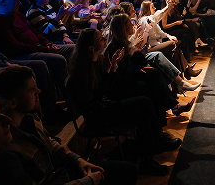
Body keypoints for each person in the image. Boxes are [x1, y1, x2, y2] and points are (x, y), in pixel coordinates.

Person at [0, 65, 139, 185]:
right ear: (12, 103)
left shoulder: (30, 117)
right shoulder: (7, 151)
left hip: (62, 172)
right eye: (32, 90)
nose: (39, 91)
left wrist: (78, 161)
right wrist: (88, 181)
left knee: (128, 170)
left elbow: (50, 143)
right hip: (58, 179)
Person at [66, 28, 181, 176]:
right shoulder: (81, 70)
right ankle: (152, 151)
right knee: (143, 103)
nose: (104, 39)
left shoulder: (98, 60)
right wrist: (108, 69)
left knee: (144, 103)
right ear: (91, 47)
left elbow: (109, 88)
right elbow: (96, 97)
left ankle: (150, 153)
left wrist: (112, 66)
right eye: (100, 39)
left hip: (105, 106)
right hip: (97, 116)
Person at [0, 0, 75, 92]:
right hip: (22, 54)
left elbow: (34, 31)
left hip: (38, 47)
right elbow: (16, 47)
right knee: (57, 60)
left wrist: (47, 43)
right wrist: (45, 49)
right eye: (17, 1)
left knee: (73, 49)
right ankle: (64, 94)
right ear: (3, 2)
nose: (20, 3)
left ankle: (78, 84)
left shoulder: (16, 14)